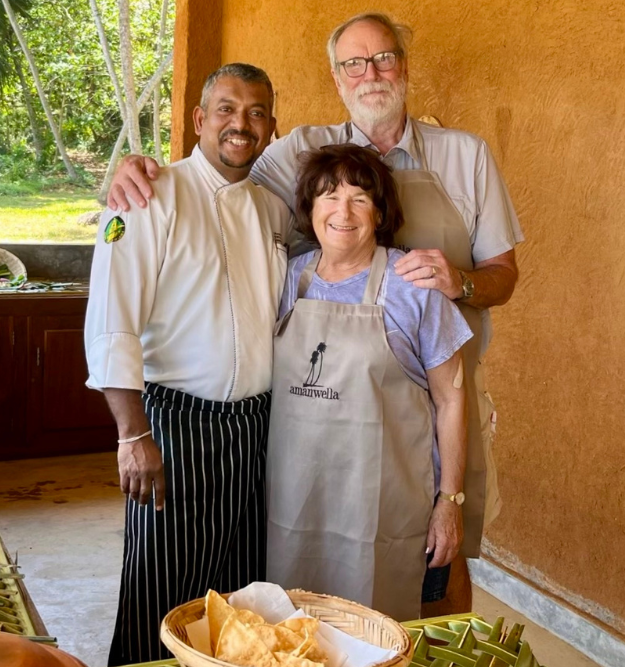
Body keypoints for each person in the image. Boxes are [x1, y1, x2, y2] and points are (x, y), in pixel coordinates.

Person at [104, 12, 524, 614]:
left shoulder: (466, 157)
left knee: (437, 562)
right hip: (308, 430)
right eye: (354, 63)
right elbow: (228, 181)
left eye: (382, 58)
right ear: (336, 76)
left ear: (403, 67)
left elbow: (505, 277)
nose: (370, 73)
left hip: (437, 397)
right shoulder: (297, 151)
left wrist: (458, 281)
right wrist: (146, 173)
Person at [84, 63, 293, 665]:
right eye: (226, 109)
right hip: (173, 426)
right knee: (163, 588)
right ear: (200, 120)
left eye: (256, 113)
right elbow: (111, 321)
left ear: (271, 128)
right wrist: (132, 434)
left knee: (239, 595)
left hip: (256, 426)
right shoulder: (149, 197)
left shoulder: (270, 211)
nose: (241, 124)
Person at [268, 144, 471, 620]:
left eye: (360, 198)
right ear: (309, 209)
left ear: (380, 213)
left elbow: (451, 400)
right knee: (291, 629)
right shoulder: (288, 278)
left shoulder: (412, 285)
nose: (343, 211)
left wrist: (450, 502)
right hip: (295, 504)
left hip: (382, 509)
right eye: (328, 196)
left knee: (377, 629)